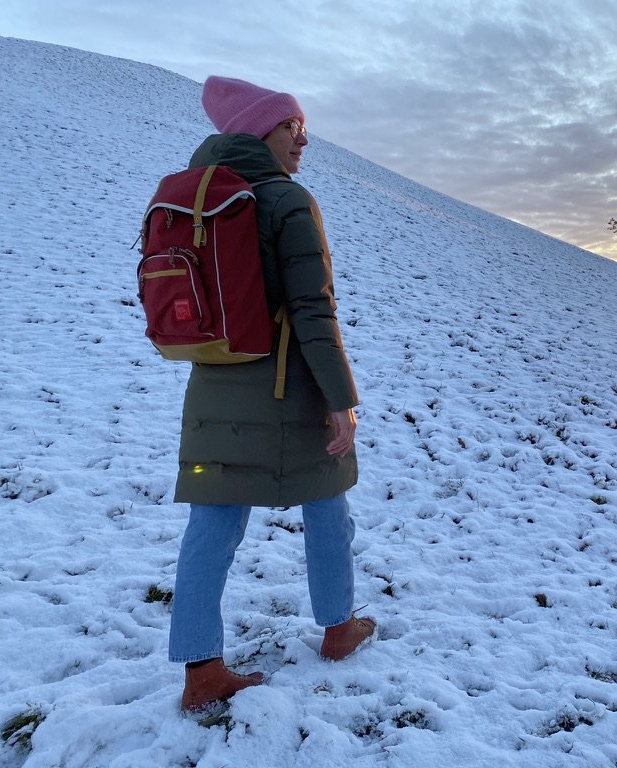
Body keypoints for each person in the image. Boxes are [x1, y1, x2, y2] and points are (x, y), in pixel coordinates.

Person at [167, 75, 375, 714]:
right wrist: (340, 397)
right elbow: (314, 307)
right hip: (292, 385)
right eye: (293, 127)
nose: (303, 141)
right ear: (263, 130)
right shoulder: (287, 199)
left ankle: (201, 673)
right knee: (327, 499)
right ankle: (338, 630)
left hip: (214, 384)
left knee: (213, 519)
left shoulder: (192, 195)